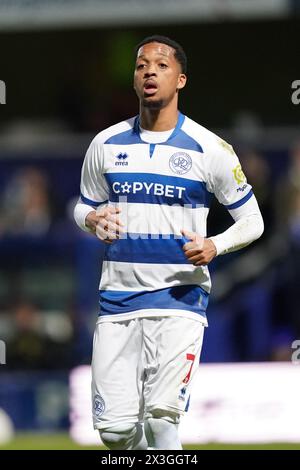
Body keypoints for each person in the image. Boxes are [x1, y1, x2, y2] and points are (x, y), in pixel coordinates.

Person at [74, 35, 264, 450]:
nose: (149, 72)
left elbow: (253, 221)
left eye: (160, 65)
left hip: (179, 298)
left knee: (162, 422)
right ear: (134, 78)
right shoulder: (105, 144)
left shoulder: (210, 149)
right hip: (117, 300)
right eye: (142, 65)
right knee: (116, 433)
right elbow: (83, 206)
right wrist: (91, 219)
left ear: (180, 79)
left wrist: (215, 245)